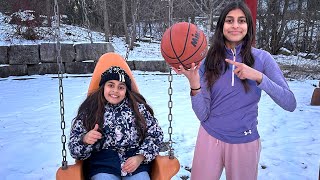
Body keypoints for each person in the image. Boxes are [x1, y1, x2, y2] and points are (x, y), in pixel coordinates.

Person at [173, 1, 297, 180]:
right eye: (229, 20)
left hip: (244, 141)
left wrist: (259, 77)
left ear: (248, 25)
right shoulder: (208, 60)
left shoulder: (262, 59)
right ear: (222, 25)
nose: (235, 26)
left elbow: (290, 103)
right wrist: (194, 84)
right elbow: (203, 115)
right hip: (210, 137)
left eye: (241, 20)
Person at [68, 66, 164, 180]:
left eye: (121, 87)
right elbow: (74, 149)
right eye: (111, 85)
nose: (115, 90)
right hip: (102, 165)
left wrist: (140, 157)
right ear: (103, 87)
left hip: (134, 163)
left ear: (126, 91)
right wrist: (85, 139)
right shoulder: (90, 111)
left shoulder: (138, 110)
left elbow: (155, 135)